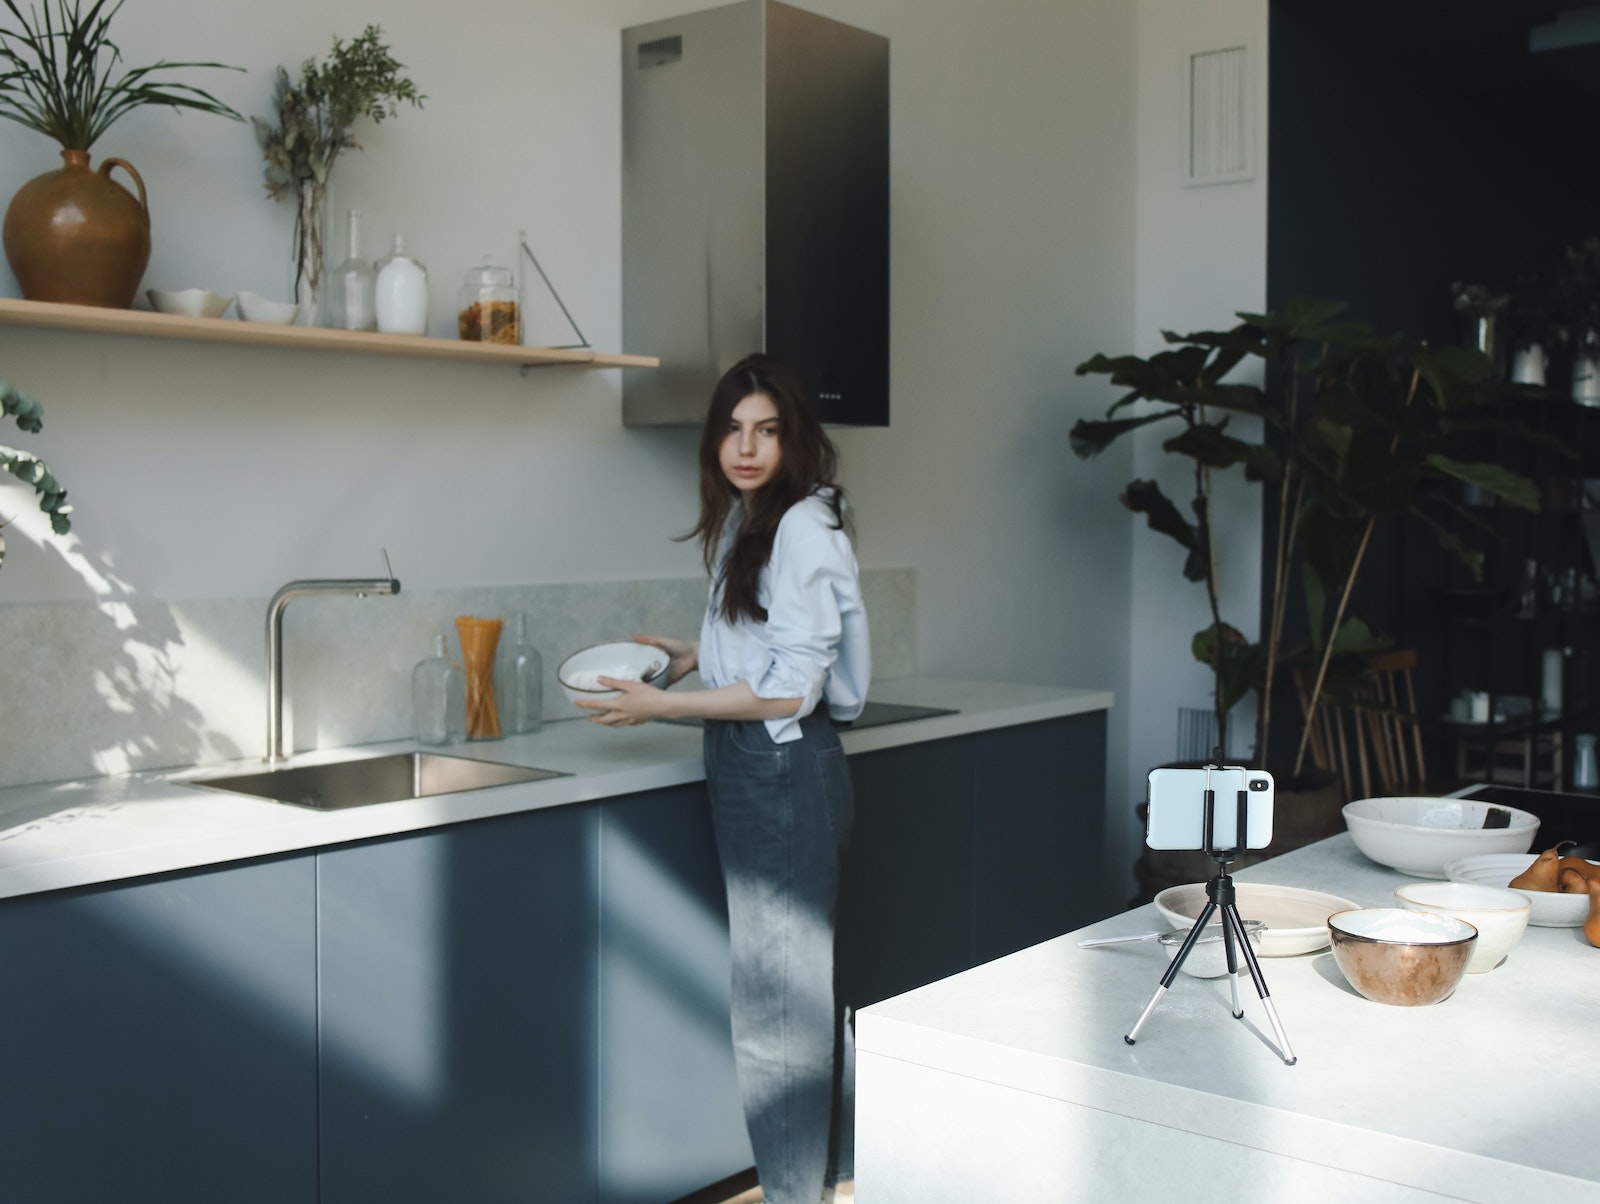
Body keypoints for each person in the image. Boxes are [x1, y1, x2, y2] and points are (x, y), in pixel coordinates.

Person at [578, 353, 869, 1204]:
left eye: (767, 431)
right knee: (799, 994)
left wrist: (664, 709)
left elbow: (791, 686)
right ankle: (832, 1183)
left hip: (779, 766)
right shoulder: (758, 519)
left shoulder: (801, 528)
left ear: (795, 440)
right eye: (733, 430)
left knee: (779, 1007)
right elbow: (774, 650)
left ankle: (791, 1195)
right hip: (765, 763)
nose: (746, 447)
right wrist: (695, 655)